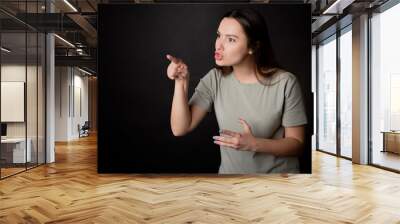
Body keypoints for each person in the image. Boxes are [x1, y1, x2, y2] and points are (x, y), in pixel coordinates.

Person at [166, 8, 307, 174]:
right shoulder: (214, 79)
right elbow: (180, 128)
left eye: (231, 40)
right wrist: (181, 82)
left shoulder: (285, 82)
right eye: (219, 35)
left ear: (252, 47)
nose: (219, 45)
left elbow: (297, 144)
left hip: (278, 183)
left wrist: (254, 144)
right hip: (231, 183)